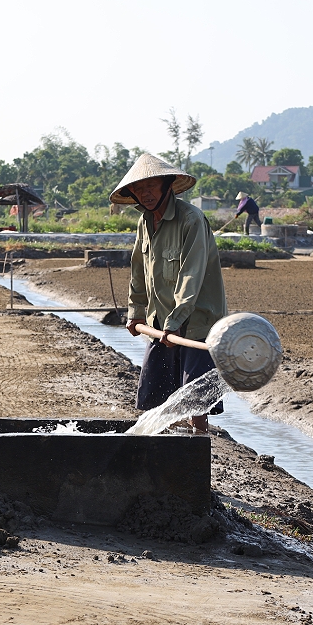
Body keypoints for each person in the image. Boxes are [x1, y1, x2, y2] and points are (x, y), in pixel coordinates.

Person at [110, 153, 228, 434]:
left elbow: (191, 275)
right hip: (160, 320)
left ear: (167, 185)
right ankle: (167, 451)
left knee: (195, 400)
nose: (146, 193)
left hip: (196, 321)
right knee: (156, 394)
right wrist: (136, 314)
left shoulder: (192, 220)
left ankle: (198, 443)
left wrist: (175, 323)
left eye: (151, 186)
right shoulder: (145, 223)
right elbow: (138, 271)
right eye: (139, 189)